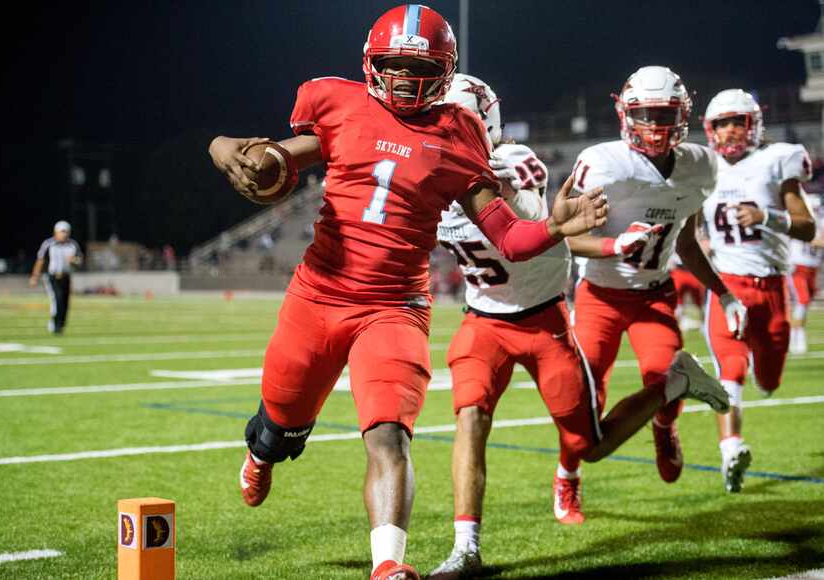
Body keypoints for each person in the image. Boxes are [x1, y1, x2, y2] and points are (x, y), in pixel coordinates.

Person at [207, 6, 607, 579]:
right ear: (372, 63)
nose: (401, 79)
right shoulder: (340, 104)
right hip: (318, 296)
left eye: (416, 68)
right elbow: (265, 156)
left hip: (394, 307)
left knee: (390, 436)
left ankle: (388, 565)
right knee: (280, 426)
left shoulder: (457, 134)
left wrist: (557, 226)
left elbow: (511, 240)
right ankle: (263, 451)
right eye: (393, 65)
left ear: (444, 74)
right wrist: (221, 148)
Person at [429, 73, 731, 578]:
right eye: (438, 125)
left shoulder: (515, 163)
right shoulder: (427, 173)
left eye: (454, 124)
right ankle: (465, 548)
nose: (444, 134)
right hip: (481, 320)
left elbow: (522, 229)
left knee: (588, 446)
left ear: (484, 123)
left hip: (544, 319)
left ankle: (673, 386)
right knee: (470, 419)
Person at [563, 67, 748, 495]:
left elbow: (685, 238)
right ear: (624, 113)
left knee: (661, 374)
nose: (654, 125)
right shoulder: (602, 163)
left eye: (664, 114)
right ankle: (566, 474)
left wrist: (723, 292)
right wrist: (613, 247)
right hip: (599, 295)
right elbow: (568, 238)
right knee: (579, 404)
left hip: (653, 293)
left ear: (683, 115)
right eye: (644, 113)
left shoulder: (700, 166)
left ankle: (665, 425)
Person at [701, 89, 816, 492]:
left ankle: (736, 435)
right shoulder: (704, 167)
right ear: (709, 129)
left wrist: (766, 216)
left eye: (738, 121)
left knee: (769, 379)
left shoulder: (775, 160)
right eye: (721, 123)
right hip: (727, 285)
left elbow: (807, 227)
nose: (729, 131)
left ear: (754, 125)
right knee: (730, 369)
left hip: (771, 287)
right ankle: (730, 448)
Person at [29, 220, 83, 334]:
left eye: (66, 232)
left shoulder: (73, 244)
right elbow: (40, 261)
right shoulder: (48, 244)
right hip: (51, 276)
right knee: (57, 299)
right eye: (62, 231)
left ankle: (61, 325)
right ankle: (55, 324)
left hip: (66, 276)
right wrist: (35, 276)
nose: (64, 234)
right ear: (56, 232)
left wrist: (74, 261)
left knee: (65, 302)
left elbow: (80, 261)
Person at [788, 194, 824, 354]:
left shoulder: (821, 223)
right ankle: (797, 337)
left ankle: (795, 335)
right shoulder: (800, 222)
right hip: (798, 267)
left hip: (812, 268)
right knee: (802, 301)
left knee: (804, 304)